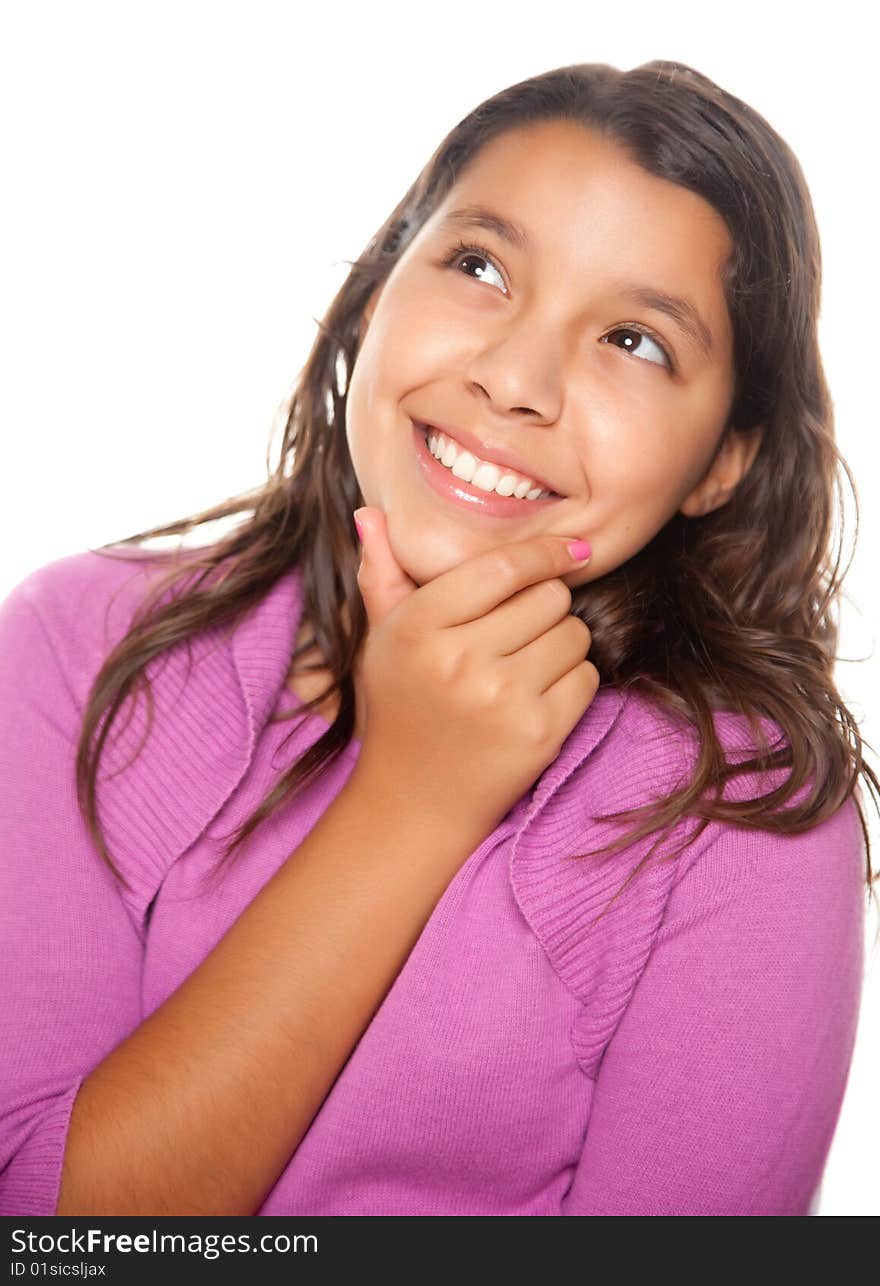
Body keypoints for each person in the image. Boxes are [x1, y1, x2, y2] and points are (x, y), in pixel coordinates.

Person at [0, 59, 875, 1218]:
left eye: (635, 340)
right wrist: (410, 797)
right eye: (477, 266)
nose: (514, 379)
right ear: (377, 288)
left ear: (723, 459)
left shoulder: (737, 808)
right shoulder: (82, 644)